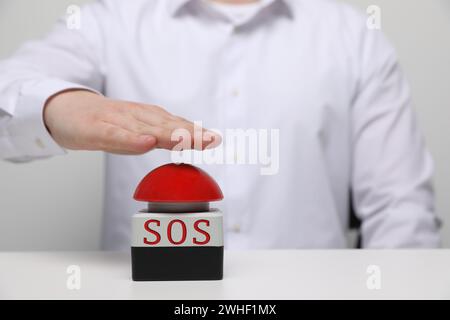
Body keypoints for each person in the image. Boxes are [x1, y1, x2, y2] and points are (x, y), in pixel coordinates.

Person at [0, 0, 441, 249]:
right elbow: (10, 88)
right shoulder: (109, 19)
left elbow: (401, 212)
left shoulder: (354, 36)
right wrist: (56, 105)